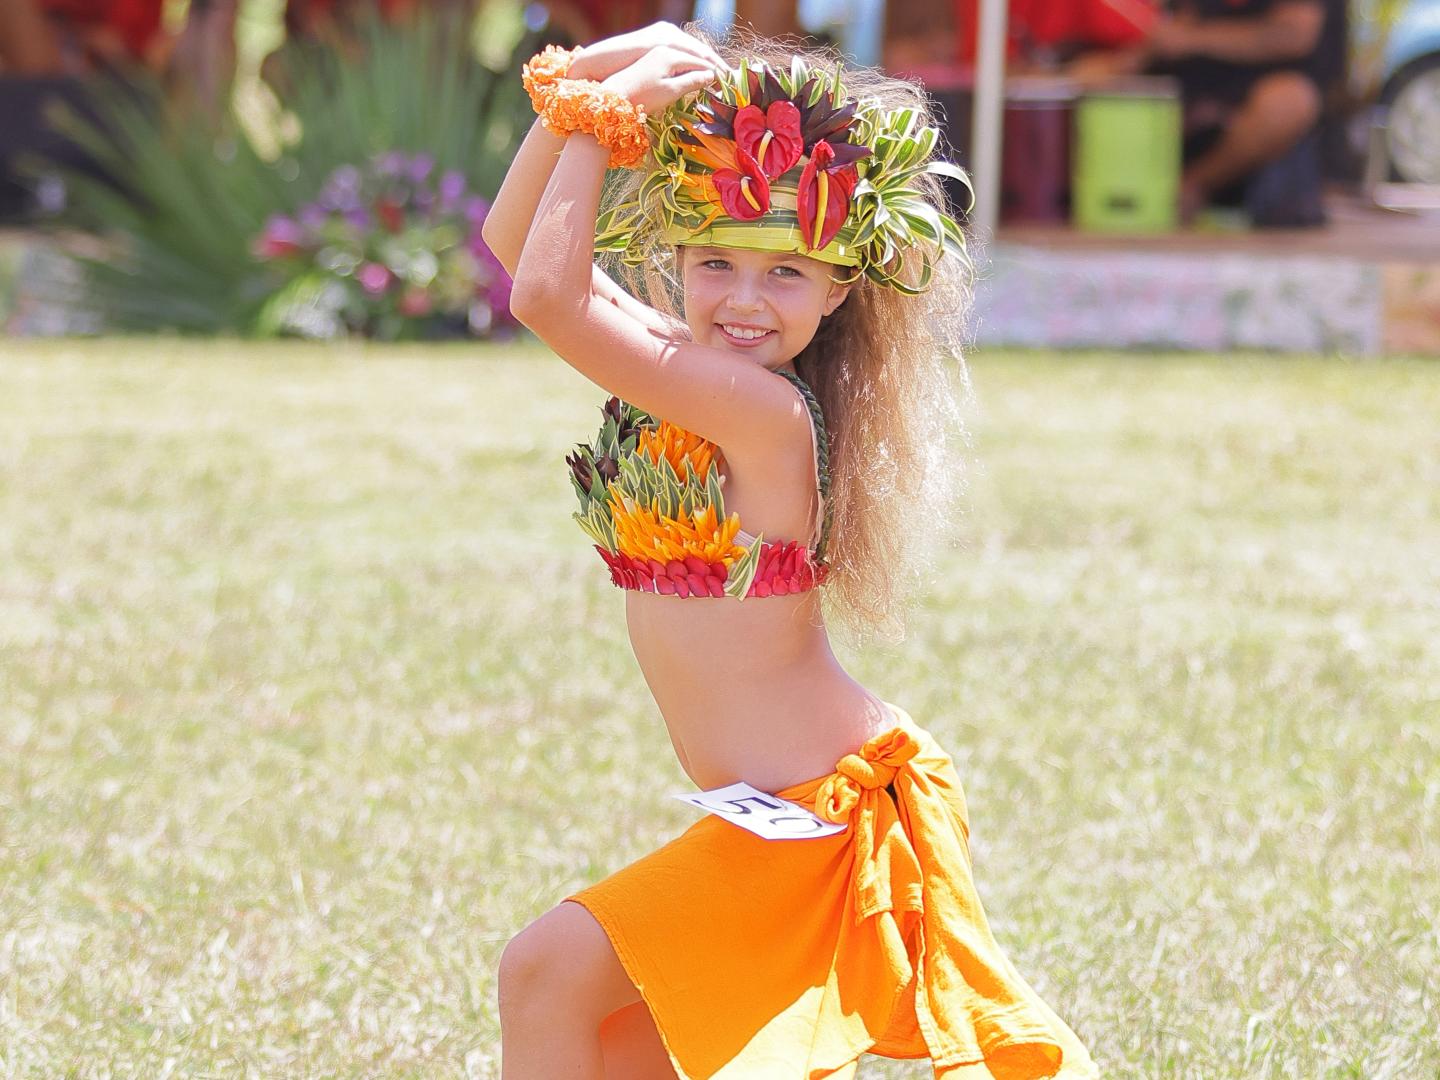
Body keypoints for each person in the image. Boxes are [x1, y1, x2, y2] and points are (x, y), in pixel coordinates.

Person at [483, 20, 1100, 1078]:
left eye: (783, 275)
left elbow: (545, 295)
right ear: (675, 261)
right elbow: (517, 250)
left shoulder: (761, 411)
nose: (743, 300)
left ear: (837, 288)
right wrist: (576, 84)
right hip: (776, 809)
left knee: (544, 976)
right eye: (714, 263)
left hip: (818, 819)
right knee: (623, 1039)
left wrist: (609, 114)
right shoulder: (681, 361)